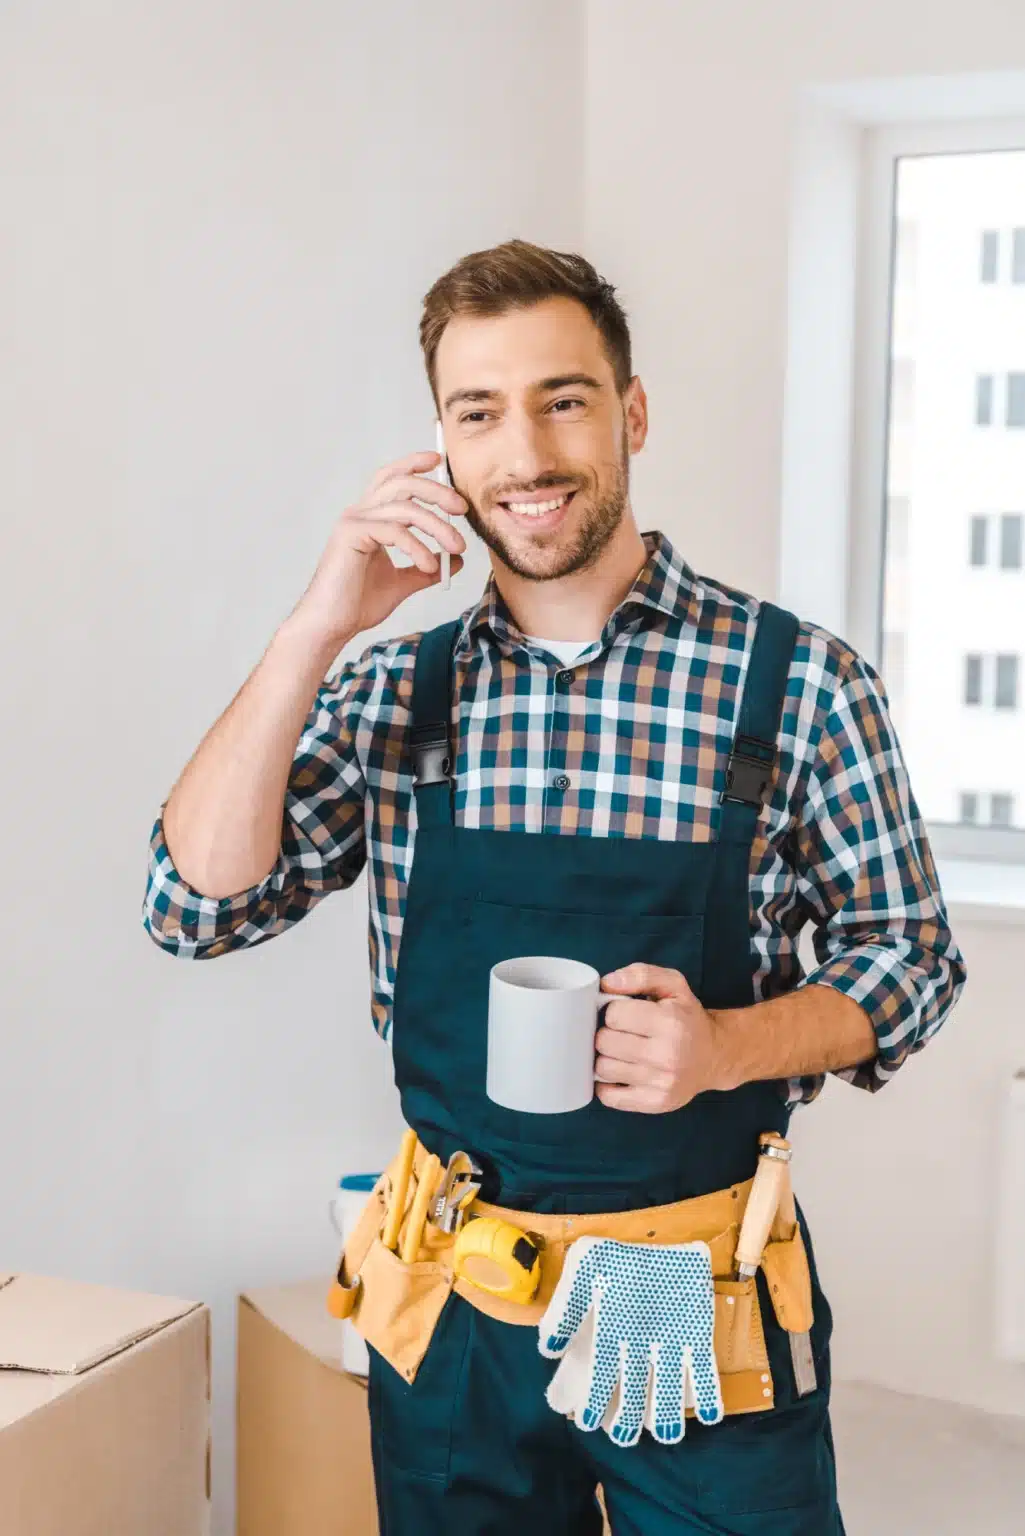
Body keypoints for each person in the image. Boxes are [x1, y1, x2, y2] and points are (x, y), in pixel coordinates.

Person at [142, 238, 967, 1534]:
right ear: (444, 447)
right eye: (481, 412)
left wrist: (731, 1044)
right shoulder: (393, 690)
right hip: (454, 1301)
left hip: (690, 1294)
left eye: (563, 399)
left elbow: (909, 960)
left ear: (631, 414)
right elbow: (193, 905)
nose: (524, 452)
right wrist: (318, 626)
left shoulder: (796, 683)